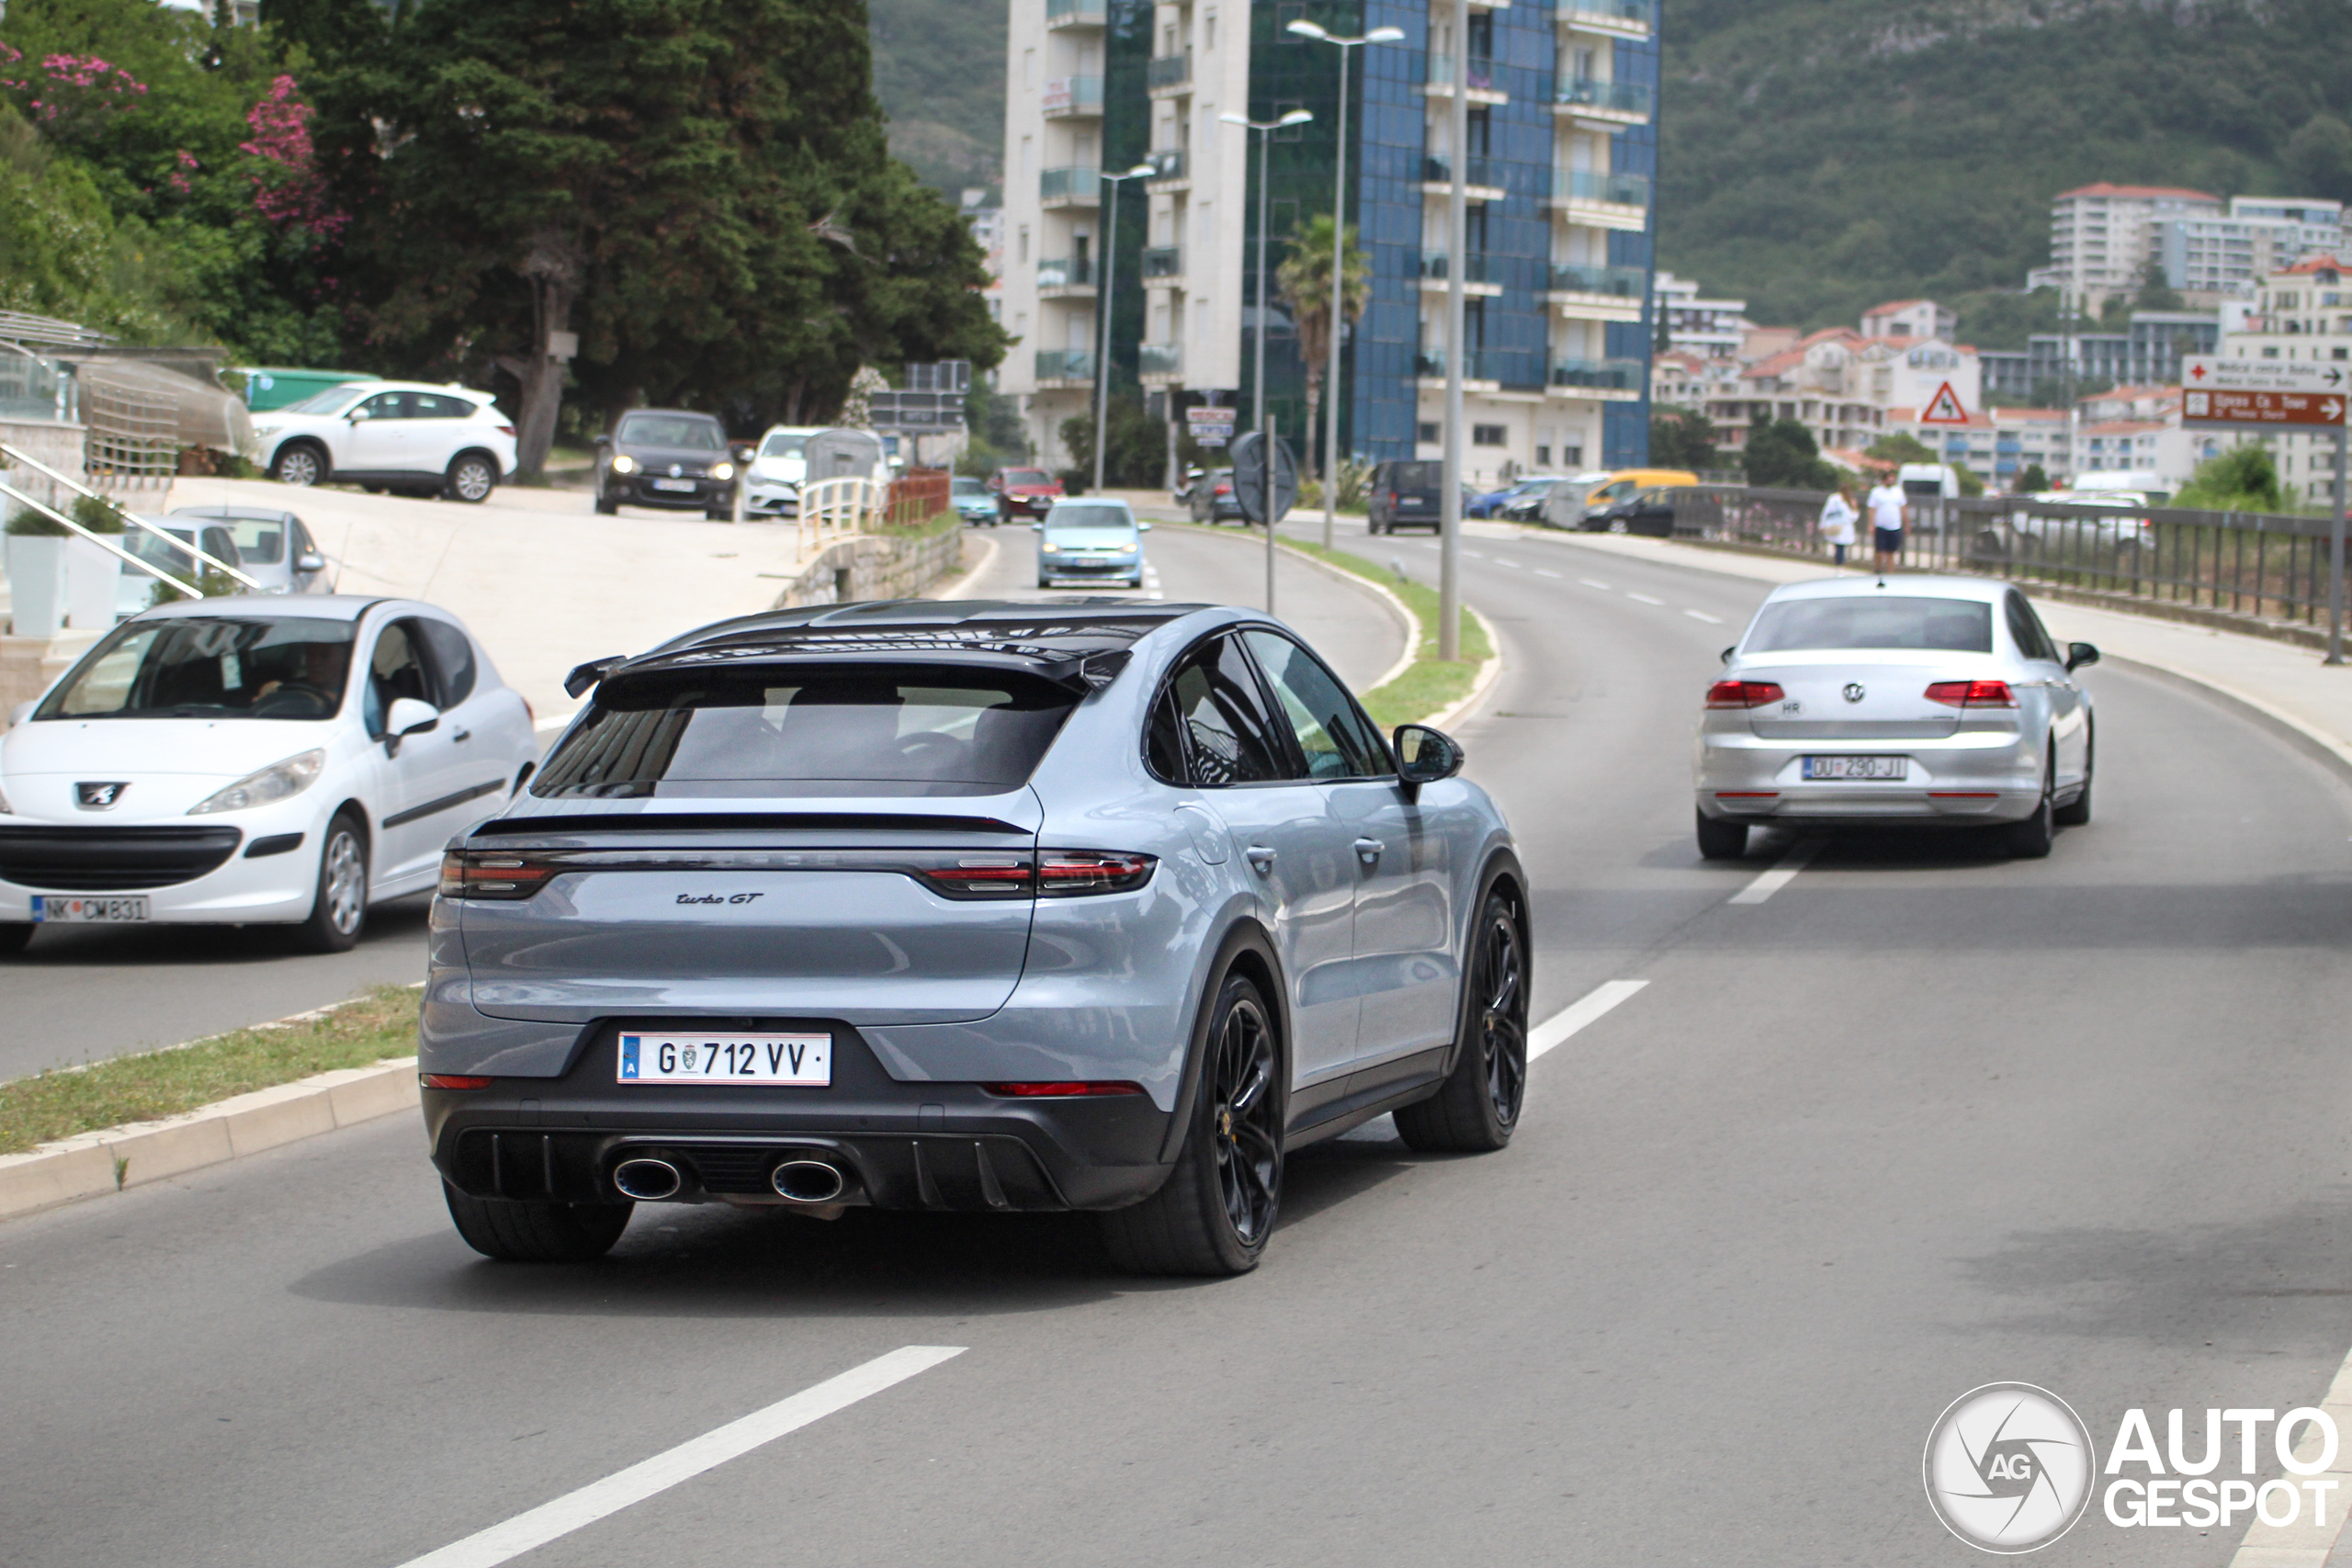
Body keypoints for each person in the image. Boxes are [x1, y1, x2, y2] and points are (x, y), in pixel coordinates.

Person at [1865, 469, 1909, 574]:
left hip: (1895, 525)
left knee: (1891, 552)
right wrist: (1871, 524)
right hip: (1880, 525)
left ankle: (1890, 572)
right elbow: (1872, 509)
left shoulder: (1898, 492)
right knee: (1880, 551)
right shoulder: (1876, 492)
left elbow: (1903, 508)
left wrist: (1907, 523)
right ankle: (1878, 569)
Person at [1817, 482, 1859, 569]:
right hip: (1843, 526)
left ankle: (1839, 564)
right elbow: (1853, 517)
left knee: (1839, 546)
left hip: (1837, 525)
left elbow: (1826, 512)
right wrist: (1855, 509)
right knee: (1841, 547)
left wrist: (1822, 524)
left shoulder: (1834, 498)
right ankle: (1840, 565)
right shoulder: (1847, 501)